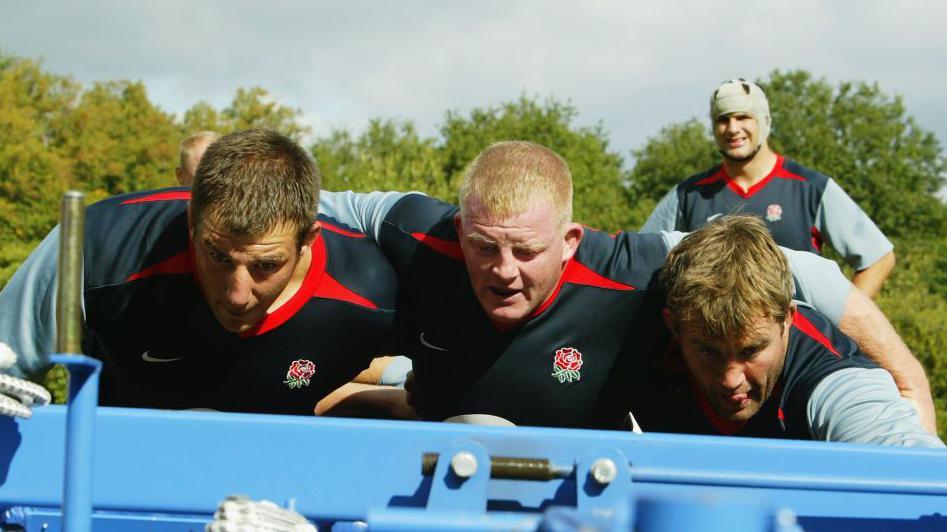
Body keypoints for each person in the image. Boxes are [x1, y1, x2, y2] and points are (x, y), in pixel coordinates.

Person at [319, 140, 934, 430]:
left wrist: (909, 380)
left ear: (570, 240)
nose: (503, 270)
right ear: (460, 229)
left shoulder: (631, 270)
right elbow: (295, 201)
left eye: (526, 251)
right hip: (438, 412)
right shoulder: (415, 229)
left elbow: (807, 270)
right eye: (483, 247)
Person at [0, 129, 398, 415]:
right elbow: (7, 369)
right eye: (219, 256)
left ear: (308, 240)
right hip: (109, 474)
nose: (237, 293)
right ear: (191, 219)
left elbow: (440, 389)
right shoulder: (96, 246)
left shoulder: (370, 288)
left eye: (266, 265)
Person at [628, 214, 941, 447]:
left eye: (751, 350)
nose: (730, 379)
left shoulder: (827, 368)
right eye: (708, 351)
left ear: (787, 320)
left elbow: (888, 437)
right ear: (673, 326)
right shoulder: (634, 340)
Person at [641, 79, 895, 298]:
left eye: (743, 117)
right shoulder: (690, 194)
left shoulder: (810, 188)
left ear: (764, 121)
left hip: (797, 346)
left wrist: (838, 328)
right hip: (716, 349)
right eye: (723, 120)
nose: (732, 128)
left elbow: (879, 259)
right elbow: (643, 257)